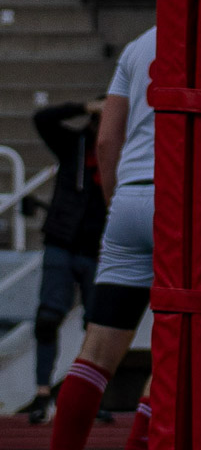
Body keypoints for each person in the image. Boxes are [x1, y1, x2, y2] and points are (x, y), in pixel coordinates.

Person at [37, 29, 156, 450]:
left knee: (96, 353)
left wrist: (116, 204)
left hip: (129, 199)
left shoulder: (139, 44)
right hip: (185, 199)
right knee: (190, 339)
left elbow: (108, 138)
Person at [22, 99, 106, 426]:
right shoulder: (74, 145)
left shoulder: (126, 150)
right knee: (48, 317)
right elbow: (43, 119)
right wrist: (85, 107)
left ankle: (91, 396)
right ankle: (42, 394)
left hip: (98, 248)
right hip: (62, 241)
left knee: (99, 326)